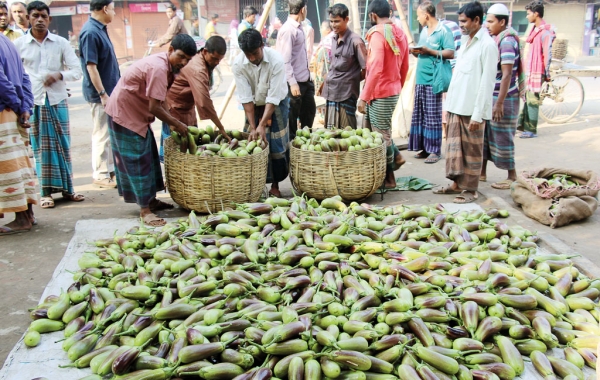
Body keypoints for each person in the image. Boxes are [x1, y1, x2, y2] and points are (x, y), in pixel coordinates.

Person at [105, 34, 196, 226]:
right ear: (170, 50)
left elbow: (160, 98)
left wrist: (171, 121)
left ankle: (151, 200)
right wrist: (177, 123)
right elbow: (154, 107)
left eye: (188, 59)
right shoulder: (159, 68)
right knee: (137, 161)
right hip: (125, 114)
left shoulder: (168, 67)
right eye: (181, 56)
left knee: (150, 157)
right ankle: (144, 210)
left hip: (137, 115)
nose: (184, 62)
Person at [14, 1, 84, 209]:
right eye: (35, 16)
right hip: (33, 100)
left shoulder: (61, 43)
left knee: (63, 144)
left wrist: (59, 75)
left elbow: (77, 70)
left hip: (57, 99)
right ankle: (45, 193)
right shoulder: (19, 45)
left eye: (43, 16)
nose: (39, 20)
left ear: (50, 19)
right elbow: (15, 75)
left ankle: (68, 189)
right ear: (28, 18)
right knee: (40, 147)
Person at [434, 1, 497, 203]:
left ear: (477, 20)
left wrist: (478, 114)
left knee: (471, 152)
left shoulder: (487, 45)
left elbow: (487, 83)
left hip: (472, 109)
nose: (461, 25)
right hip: (456, 105)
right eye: (459, 21)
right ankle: (455, 185)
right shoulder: (466, 41)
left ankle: (470, 190)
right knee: (455, 151)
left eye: (464, 21)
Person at [358, 0, 409, 188]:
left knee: (381, 136)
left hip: (379, 92)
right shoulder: (400, 33)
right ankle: (396, 156)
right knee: (381, 132)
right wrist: (397, 86)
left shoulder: (378, 35)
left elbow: (376, 68)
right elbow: (405, 66)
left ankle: (390, 178)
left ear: (372, 16)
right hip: (391, 90)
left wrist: (364, 96)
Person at [233, 29, 289, 198]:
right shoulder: (238, 64)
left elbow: (273, 96)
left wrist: (263, 124)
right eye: (248, 54)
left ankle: (275, 185)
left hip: (277, 102)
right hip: (254, 105)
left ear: (262, 45)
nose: (252, 58)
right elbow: (245, 97)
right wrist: (253, 126)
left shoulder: (276, 61)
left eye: (255, 53)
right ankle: (254, 185)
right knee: (252, 141)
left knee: (275, 145)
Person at [481, 4, 524, 189]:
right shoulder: (495, 39)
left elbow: (507, 75)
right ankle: (481, 172)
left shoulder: (506, 41)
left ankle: (512, 175)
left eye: (491, 21)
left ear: (502, 22)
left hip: (504, 98)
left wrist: (499, 103)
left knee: (503, 137)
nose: (487, 25)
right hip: (493, 94)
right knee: (486, 134)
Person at [79, 0, 120, 188]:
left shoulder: (100, 29)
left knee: (109, 133)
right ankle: (101, 173)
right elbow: (91, 66)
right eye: (113, 9)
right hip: (100, 94)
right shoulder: (90, 32)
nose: (114, 13)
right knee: (101, 133)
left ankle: (109, 170)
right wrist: (103, 94)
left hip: (110, 91)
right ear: (105, 9)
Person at [407, 2, 455, 164]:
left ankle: (435, 150)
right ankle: (424, 148)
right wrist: (416, 52)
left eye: (419, 15)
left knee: (432, 115)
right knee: (420, 114)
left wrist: (429, 51)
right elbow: (423, 53)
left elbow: (450, 52)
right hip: (420, 78)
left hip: (434, 79)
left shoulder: (443, 31)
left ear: (426, 15)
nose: (418, 18)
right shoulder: (424, 32)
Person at [0, 33, 37, 235]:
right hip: (14, 110)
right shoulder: (7, 42)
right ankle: (28, 214)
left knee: (10, 168)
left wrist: (17, 105)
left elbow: (2, 82)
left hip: (5, 111)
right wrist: (24, 107)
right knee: (20, 164)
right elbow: (24, 77)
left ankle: (22, 218)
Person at [166, 36, 230, 140]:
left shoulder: (203, 59)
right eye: (214, 58)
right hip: (175, 108)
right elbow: (204, 102)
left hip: (188, 107)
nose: (217, 62)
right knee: (175, 144)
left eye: (219, 60)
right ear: (205, 52)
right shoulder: (198, 69)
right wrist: (221, 128)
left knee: (191, 140)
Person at [320, 3, 366, 130]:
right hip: (332, 92)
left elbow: (367, 70)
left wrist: (351, 79)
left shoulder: (356, 41)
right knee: (331, 135)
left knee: (347, 134)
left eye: (337, 21)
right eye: (331, 21)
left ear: (346, 19)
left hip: (346, 94)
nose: (333, 25)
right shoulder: (334, 38)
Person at [276, 0, 316, 137]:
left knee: (309, 113)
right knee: (292, 119)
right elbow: (284, 60)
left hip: (306, 81)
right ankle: (292, 150)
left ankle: (304, 146)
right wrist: (293, 83)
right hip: (294, 83)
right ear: (303, 9)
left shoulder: (299, 28)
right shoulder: (288, 30)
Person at [517, 0, 554, 138]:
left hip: (538, 70)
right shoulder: (535, 30)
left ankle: (531, 130)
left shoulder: (545, 32)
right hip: (530, 69)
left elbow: (547, 53)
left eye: (528, 14)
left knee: (532, 99)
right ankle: (523, 125)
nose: (527, 16)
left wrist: (547, 72)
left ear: (536, 14)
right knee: (528, 97)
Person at [311, 20, 334, 93]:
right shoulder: (326, 39)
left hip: (325, 71)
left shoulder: (330, 40)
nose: (320, 29)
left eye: (322, 27)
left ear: (328, 30)